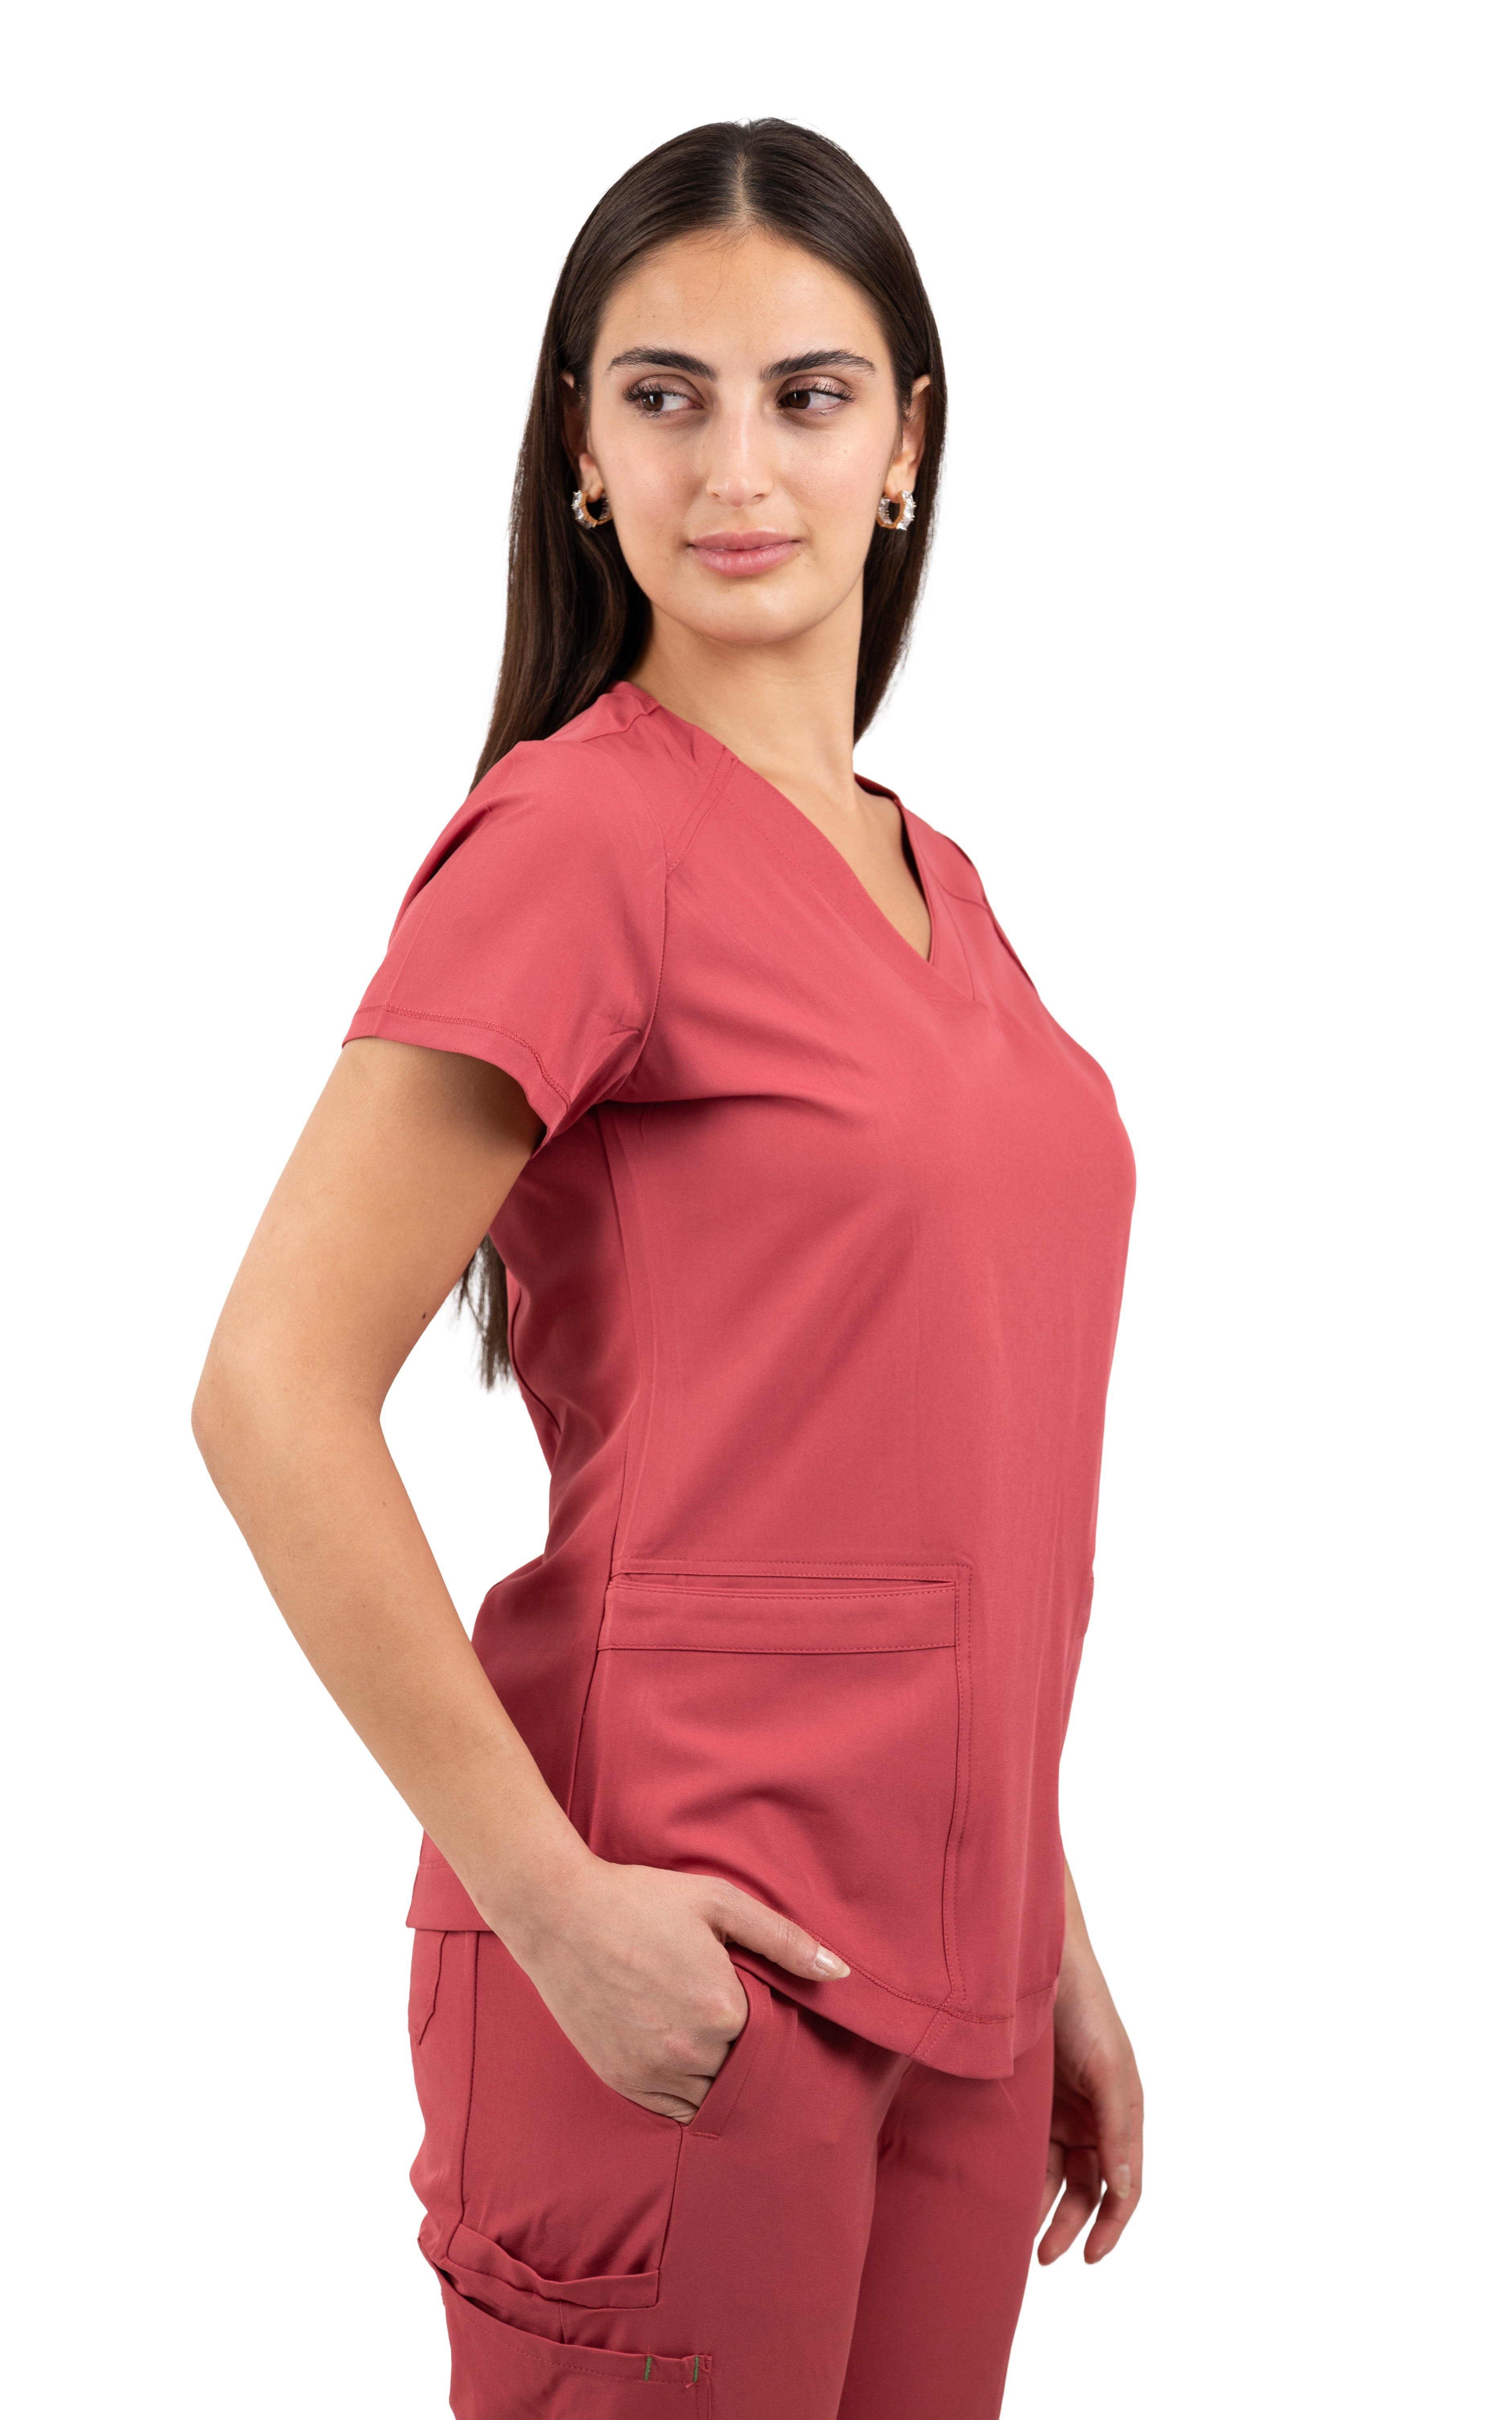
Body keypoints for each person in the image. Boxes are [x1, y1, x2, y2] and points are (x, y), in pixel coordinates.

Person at [193, 116, 1143, 2420]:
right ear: (582, 449)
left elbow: (936, 1477)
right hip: (681, 1977)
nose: (737, 467)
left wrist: (1049, 1937)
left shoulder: (950, 890)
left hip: (958, 1999)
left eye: (808, 396)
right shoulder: (580, 837)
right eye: (664, 395)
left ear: (906, 446)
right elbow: (269, 1390)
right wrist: (555, 1910)